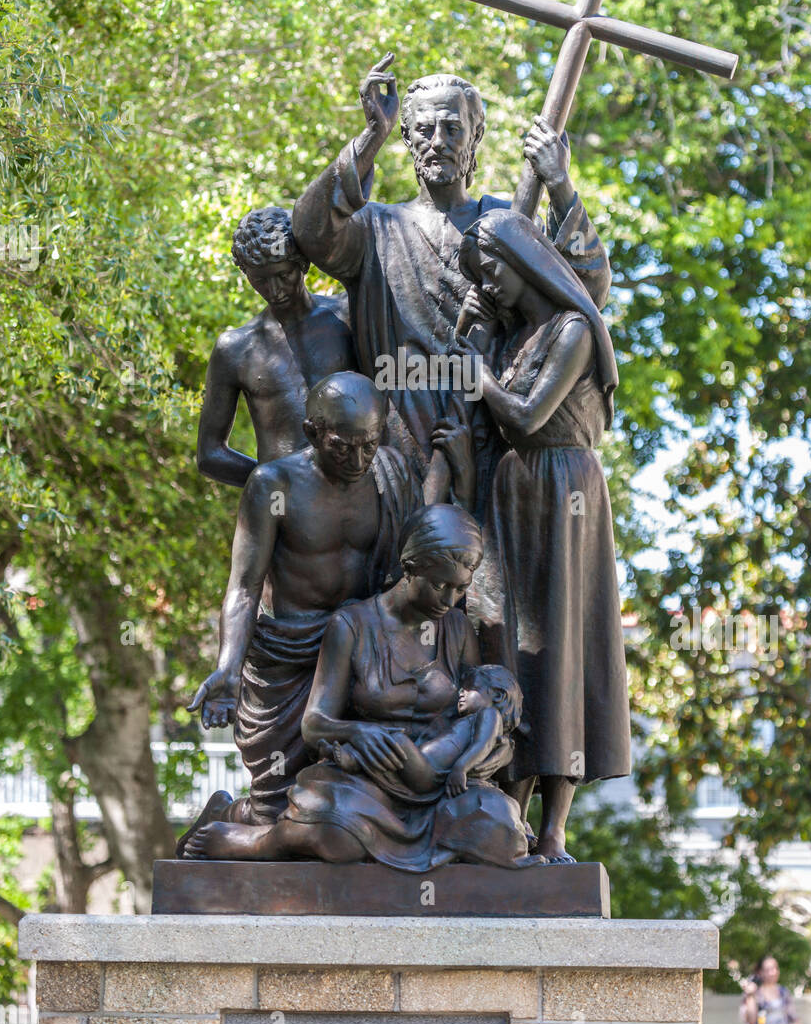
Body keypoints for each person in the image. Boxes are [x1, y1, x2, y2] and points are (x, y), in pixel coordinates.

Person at [290, 54, 611, 500]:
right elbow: (308, 232)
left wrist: (559, 185)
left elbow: (585, 292)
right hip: (395, 443)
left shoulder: (505, 222)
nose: (438, 141)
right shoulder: (374, 228)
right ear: (406, 136)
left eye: (453, 128)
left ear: (475, 136)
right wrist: (370, 136)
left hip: (490, 444)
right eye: (423, 130)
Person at [181, 505, 545, 870]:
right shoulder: (352, 626)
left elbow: (479, 713)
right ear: (410, 567)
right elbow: (315, 723)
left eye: (460, 588)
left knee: (499, 828)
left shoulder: (457, 629)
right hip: (369, 778)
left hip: (438, 785)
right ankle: (254, 841)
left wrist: (488, 751)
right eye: (439, 585)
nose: (450, 601)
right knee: (336, 834)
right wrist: (359, 731)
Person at [183, 373, 464, 836]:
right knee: (276, 814)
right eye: (341, 446)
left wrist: (460, 471)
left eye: (368, 445)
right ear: (313, 433)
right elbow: (244, 585)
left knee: (343, 809)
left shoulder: (390, 474)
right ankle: (222, 818)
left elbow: (422, 552)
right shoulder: (273, 485)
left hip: (363, 657)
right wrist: (228, 669)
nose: (357, 459)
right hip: (289, 658)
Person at [451, 207, 629, 862]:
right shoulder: (508, 338)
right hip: (512, 495)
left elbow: (526, 418)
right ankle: (510, 816)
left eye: (493, 269)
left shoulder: (575, 328)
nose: (489, 283)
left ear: (524, 262)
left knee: (561, 652)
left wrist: (480, 378)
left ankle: (554, 829)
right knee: (507, 650)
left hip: (563, 493)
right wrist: (473, 335)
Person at [196, 206, 355, 487]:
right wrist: (274, 483)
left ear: (302, 264)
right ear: (246, 273)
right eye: (260, 279)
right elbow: (209, 454)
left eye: (283, 275)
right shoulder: (236, 349)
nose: (274, 290)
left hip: (358, 496)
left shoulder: (347, 316)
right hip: (286, 510)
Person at [319, 661, 523, 798]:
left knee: (396, 741)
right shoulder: (471, 719)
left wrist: (461, 768)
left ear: (498, 695)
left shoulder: (490, 715)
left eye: (470, 688)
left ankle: (353, 759)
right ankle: (350, 758)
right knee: (392, 744)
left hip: (430, 773)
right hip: (422, 766)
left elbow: (483, 744)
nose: (461, 692)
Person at [741, 956, 801, 1024]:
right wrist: (750, 995)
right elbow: (751, 1021)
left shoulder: (784, 992)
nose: (774, 972)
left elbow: (793, 1018)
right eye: (769, 969)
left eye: (776, 968)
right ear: (760, 972)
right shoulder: (754, 993)